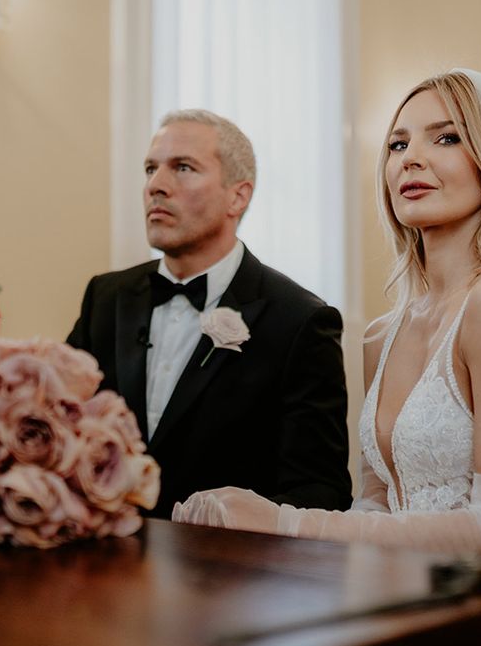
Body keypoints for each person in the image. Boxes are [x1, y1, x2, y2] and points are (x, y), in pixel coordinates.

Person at [173, 71, 481, 646]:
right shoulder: (380, 336)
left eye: (445, 139)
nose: (411, 158)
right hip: (411, 611)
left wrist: (284, 523)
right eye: (398, 144)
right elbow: (378, 507)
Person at [67, 109, 353, 519]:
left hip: (226, 571)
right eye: (150, 169)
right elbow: (64, 431)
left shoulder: (300, 321)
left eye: (182, 168)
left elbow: (317, 490)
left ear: (238, 195)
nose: (156, 186)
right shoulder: (105, 298)